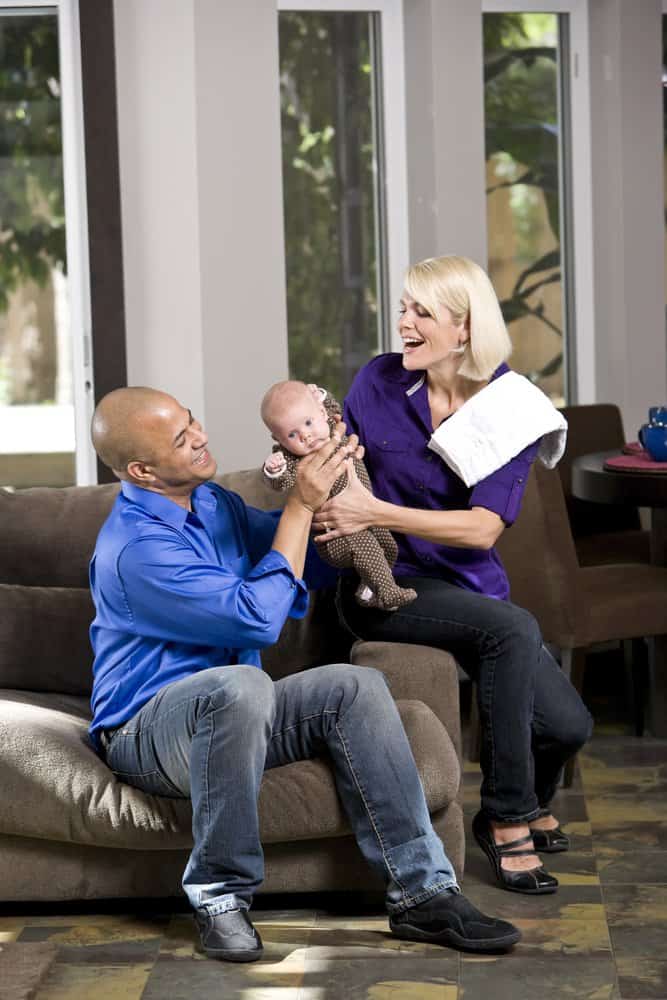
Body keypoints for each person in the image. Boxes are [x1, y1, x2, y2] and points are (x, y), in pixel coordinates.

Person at [87, 385, 521, 963]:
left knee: (355, 686)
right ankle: (220, 898)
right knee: (240, 684)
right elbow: (258, 619)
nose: (202, 437)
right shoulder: (135, 549)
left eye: (194, 422)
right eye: (182, 438)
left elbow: (296, 559)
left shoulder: (211, 502)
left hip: (240, 716)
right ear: (142, 469)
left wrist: (342, 507)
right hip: (146, 732)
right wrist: (299, 505)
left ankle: (424, 893)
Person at [312, 254, 594, 896]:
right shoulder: (378, 382)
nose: (403, 323)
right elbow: (335, 467)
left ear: (464, 329)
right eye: (403, 307)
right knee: (512, 630)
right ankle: (508, 818)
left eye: (421, 312)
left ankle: (522, 801)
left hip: (467, 588)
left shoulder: (510, 405)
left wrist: (374, 506)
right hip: (383, 579)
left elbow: (482, 528)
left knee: (571, 727)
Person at [261, 379, 416, 610]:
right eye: (292, 435)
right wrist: (274, 469)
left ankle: (368, 588)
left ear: (322, 413)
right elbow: (280, 482)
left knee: (388, 545)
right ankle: (388, 593)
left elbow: (332, 406)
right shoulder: (295, 460)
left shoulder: (333, 427)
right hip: (336, 534)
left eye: (308, 422)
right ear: (279, 440)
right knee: (366, 546)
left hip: (366, 516)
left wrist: (318, 393)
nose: (306, 436)